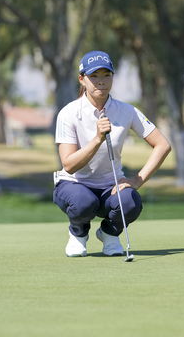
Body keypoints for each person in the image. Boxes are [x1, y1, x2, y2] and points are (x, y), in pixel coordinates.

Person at [53, 50, 171, 257]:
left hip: (110, 185)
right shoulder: (68, 113)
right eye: (94, 76)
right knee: (83, 203)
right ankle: (78, 234)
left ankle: (109, 234)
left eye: (106, 75)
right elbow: (69, 164)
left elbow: (162, 145)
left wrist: (137, 180)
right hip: (74, 184)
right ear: (82, 80)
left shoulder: (127, 111)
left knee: (130, 201)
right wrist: (97, 139)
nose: (101, 82)